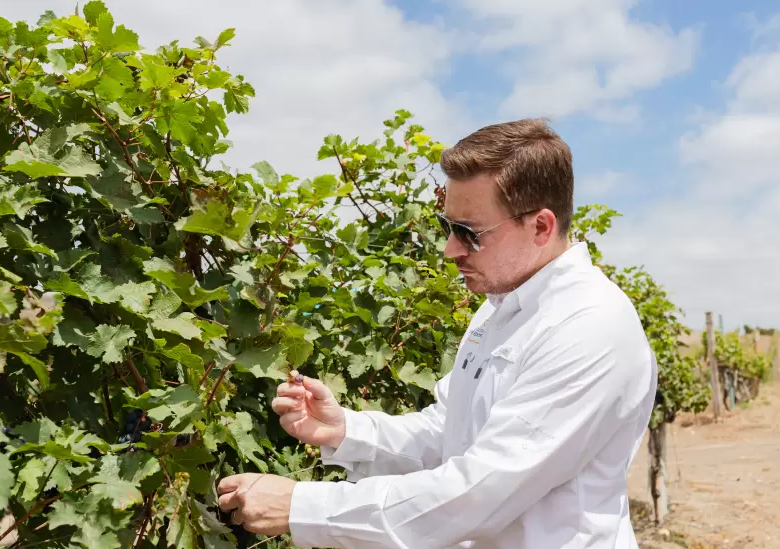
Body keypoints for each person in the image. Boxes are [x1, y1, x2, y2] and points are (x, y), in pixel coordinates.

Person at [218, 119, 658, 549]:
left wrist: (302, 506)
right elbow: (448, 433)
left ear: (540, 226)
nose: (450, 249)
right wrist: (346, 430)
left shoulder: (588, 326)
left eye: (469, 233)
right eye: (449, 227)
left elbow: (478, 493)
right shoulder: (498, 310)